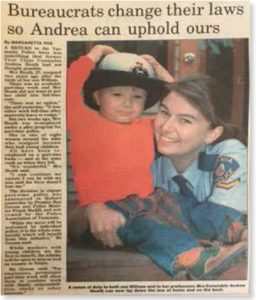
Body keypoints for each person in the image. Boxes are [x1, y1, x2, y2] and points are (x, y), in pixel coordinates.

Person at [67, 44, 172, 247]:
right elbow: (62, 88)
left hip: (140, 212)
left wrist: (161, 73)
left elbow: (186, 105)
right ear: (98, 97)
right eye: (117, 94)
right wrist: (96, 52)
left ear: (145, 101)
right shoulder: (84, 122)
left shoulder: (150, 126)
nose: (127, 103)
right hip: (99, 213)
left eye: (137, 96)